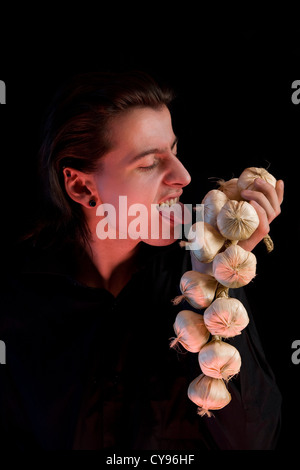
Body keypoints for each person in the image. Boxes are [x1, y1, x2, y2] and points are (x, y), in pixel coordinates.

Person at [0, 71, 284, 450]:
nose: (183, 176)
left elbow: (251, 440)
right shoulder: (17, 297)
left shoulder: (196, 268)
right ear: (82, 186)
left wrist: (221, 282)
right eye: (150, 163)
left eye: (175, 150)